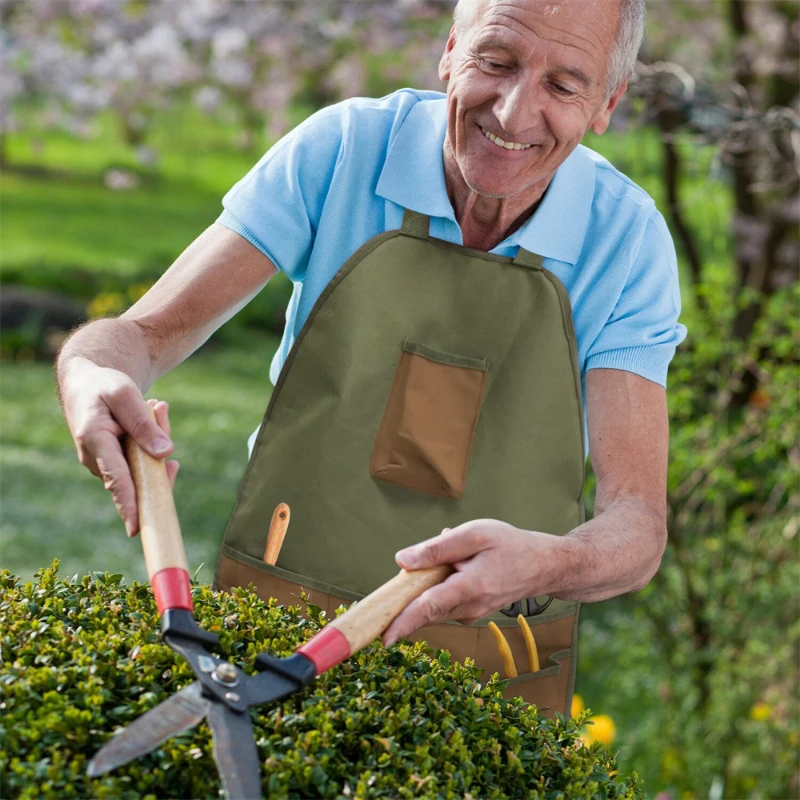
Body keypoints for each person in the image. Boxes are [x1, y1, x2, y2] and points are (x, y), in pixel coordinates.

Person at [57, 0, 686, 717]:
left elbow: (636, 524)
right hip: (279, 608)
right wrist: (89, 373)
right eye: (496, 62)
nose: (514, 114)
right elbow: (142, 336)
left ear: (607, 102)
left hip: (488, 663)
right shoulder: (345, 150)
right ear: (450, 50)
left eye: (564, 86)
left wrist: (548, 563)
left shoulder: (626, 242)